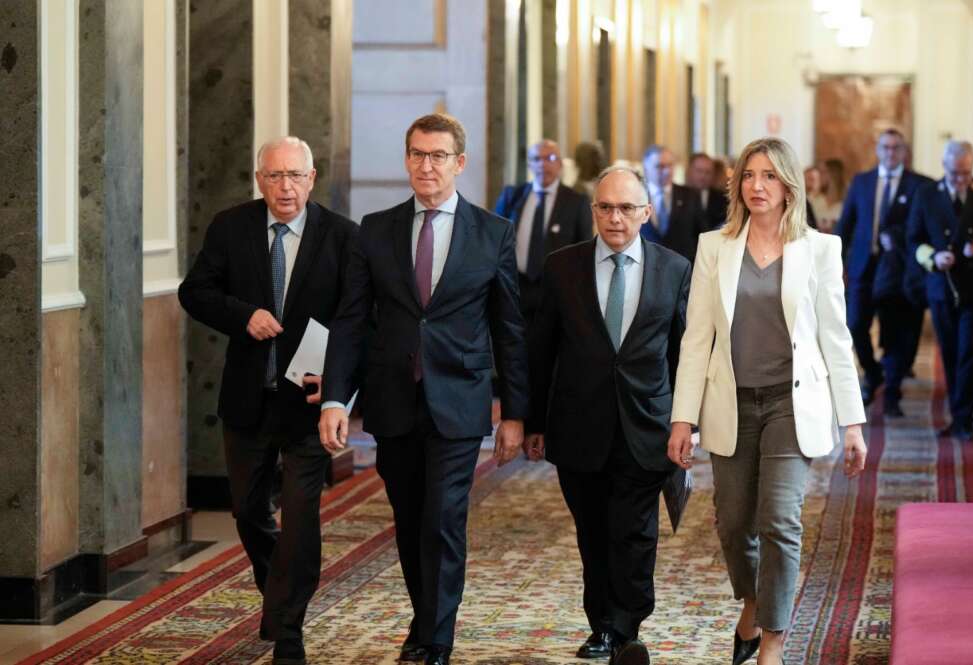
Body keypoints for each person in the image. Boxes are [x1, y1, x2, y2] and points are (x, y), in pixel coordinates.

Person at [317, 113, 529, 665]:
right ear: (406, 158)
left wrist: (515, 413)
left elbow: (509, 327)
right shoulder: (376, 228)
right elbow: (352, 319)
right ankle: (425, 614)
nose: (426, 166)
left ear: (460, 163)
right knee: (410, 518)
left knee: (443, 517)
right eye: (416, 154)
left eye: (437, 156)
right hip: (393, 401)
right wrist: (339, 397)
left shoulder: (493, 233)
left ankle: (437, 635)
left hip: (459, 399)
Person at [668, 137, 868, 665]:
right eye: (749, 175)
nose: (758, 186)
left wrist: (853, 423)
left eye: (770, 176)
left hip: (790, 403)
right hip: (730, 402)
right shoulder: (715, 246)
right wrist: (681, 419)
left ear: (789, 187)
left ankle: (773, 641)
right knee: (734, 522)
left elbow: (835, 337)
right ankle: (753, 602)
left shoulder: (820, 249)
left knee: (780, 519)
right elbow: (697, 338)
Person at [178, 137, 358, 665]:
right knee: (249, 511)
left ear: (312, 177)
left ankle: (288, 630)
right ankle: (279, 590)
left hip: (308, 401)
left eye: (295, 176)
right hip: (248, 398)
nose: (286, 187)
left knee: (301, 517)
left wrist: (340, 388)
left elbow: (355, 320)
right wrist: (243, 315)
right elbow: (195, 291)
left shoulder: (343, 237)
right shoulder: (230, 227)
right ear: (260, 179)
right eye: (275, 176)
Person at [525, 166, 691, 665]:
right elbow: (541, 350)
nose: (615, 218)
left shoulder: (675, 268)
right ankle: (602, 621)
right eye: (605, 207)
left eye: (626, 208)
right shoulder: (562, 266)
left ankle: (624, 625)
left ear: (646, 212)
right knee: (593, 531)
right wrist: (532, 421)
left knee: (634, 530)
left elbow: (686, 353)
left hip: (648, 425)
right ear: (593, 210)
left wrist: (689, 422)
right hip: (578, 424)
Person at [907, 140, 973, 442]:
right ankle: (958, 414)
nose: (961, 179)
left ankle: (964, 419)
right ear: (944, 167)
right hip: (941, 286)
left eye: (966, 172)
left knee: (970, 352)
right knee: (949, 352)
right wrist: (933, 257)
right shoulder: (927, 194)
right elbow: (914, 239)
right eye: (955, 173)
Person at [837, 129, 932, 414]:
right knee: (854, 325)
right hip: (863, 268)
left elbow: (924, 228)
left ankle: (891, 391)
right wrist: (836, 261)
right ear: (877, 150)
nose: (890, 153)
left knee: (894, 333)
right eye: (885, 147)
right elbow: (846, 224)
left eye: (896, 148)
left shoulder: (920, 185)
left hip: (899, 270)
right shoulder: (862, 182)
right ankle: (873, 373)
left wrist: (900, 237)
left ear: (904, 151)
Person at [494, 139, 593, 323]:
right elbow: (493, 241)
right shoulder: (512, 196)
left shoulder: (577, 202)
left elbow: (585, 251)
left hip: (557, 292)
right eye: (536, 159)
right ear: (530, 164)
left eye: (550, 158)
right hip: (514, 290)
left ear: (561, 164)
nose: (543, 164)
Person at [640, 145, 704, 263]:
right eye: (660, 166)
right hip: (646, 268)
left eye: (670, 165)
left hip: (682, 270)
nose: (667, 171)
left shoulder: (690, 196)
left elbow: (702, 236)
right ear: (646, 168)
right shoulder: (636, 196)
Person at [686, 151, 728, 230]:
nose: (703, 176)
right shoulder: (678, 195)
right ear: (690, 171)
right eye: (699, 171)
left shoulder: (723, 198)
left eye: (708, 172)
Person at [812, 159, 846, 232]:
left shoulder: (846, 202)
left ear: (834, 174)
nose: (819, 175)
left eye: (823, 172)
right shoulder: (813, 200)